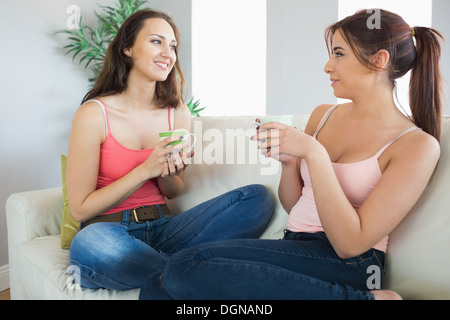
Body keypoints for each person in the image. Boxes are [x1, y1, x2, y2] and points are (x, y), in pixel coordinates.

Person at [142, 9, 444, 300]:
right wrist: (289, 163)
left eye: (339, 54)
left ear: (378, 60)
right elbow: (295, 205)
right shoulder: (323, 115)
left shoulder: (416, 146)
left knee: (184, 268)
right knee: (155, 286)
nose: (328, 66)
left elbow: (350, 244)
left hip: (352, 264)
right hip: (295, 245)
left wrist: (314, 154)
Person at [66, 9, 274, 291]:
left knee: (256, 199)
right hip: (107, 231)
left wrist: (168, 171)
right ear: (127, 48)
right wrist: (144, 170)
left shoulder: (176, 112)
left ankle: (171, 271)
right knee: (92, 246)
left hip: (165, 228)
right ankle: (195, 273)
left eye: (173, 45)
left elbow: (173, 190)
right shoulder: (93, 114)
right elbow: (80, 209)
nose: (168, 53)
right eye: (156, 42)